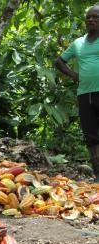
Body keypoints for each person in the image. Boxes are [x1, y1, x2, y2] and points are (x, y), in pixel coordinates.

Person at [54, 5, 99, 182]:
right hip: (85, 94)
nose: (91, 19)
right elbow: (59, 62)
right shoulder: (78, 43)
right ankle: (97, 175)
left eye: (95, 17)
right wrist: (74, 75)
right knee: (91, 137)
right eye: (88, 17)